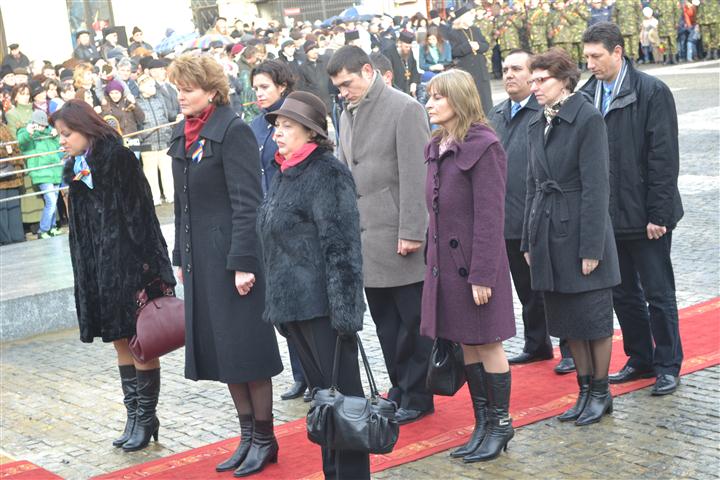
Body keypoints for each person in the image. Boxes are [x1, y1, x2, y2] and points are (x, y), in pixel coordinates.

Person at [166, 54, 283, 477]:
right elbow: (182, 205)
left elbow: (248, 203)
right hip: (201, 262)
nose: (180, 95)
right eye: (177, 87)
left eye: (188, 88)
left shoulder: (231, 131)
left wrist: (244, 262)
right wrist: (181, 256)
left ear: (212, 92)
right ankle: (248, 435)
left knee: (246, 348)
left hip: (234, 259)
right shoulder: (184, 133)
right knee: (224, 350)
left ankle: (266, 438)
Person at [257, 90, 370, 480]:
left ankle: (352, 475)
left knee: (345, 401)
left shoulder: (326, 171)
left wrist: (345, 312)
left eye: (288, 127)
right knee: (323, 402)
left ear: (311, 132)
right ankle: (333, 473)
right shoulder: (286, 171)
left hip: (324, 307)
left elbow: (342, 246)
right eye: (277, 127)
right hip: (295, 306)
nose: (278, 133)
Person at [51, 99, 175, 451]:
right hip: (98, 270)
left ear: (85, 128)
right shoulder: (74, 167)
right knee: (120, 341)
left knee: (141, 343)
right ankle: (134, 416)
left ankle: (147, 415)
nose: (62, 141)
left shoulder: (119, 159)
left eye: (66, 134)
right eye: (59, 135)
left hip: (130, 268)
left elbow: (144, 218)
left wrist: (152, 271)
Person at [329, 46, 435, 425]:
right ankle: (400, 385)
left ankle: (419, 393)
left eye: (348, 83)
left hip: (399, 236)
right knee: (386, 324)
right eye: (338, 87)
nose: (343, 92)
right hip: (364, 239)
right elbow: (344, 170)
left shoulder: (404, 108)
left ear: (368, 71)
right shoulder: (345, 113)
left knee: (413, 323)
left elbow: (416, 175)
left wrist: (412, 230)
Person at [581, 22, 684, 396]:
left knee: (658, 293)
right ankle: (640, 358)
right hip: (610, 218)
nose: (590, 64)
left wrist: (658, 214)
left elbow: (663, 158)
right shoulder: (588, 92)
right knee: (622, 294)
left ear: (618, 52)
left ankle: (668, 364)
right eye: (586, 56)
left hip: (646, 216)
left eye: (597, 56)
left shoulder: (651, 91)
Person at [523, 48, 621, 426]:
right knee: (568, 319)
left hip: (581, 231)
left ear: (564, 80)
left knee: (593, 318)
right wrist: (529, 241)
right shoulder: (538, 121)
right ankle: (583, 391)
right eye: (532, 80)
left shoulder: (587, 118)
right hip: (549, 232)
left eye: (541, 79)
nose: (535, 87)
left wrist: (592, 247)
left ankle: (601, 392)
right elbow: (532, 185)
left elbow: (598, 187)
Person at [422, 69, 516, 462]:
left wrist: (482, 274)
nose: (429, 103)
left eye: (437, 97)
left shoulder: (484, 145)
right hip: (446, 269)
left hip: (477, 268)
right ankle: (482, 425)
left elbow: (491, 217)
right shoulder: (438, 145)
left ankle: (501, 424)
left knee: (488, 343)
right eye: (428, 96)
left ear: (458, 100)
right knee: (467, 345)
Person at [488, 49, 575, 373]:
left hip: (542, 215)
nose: (509, 74)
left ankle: (569, 346)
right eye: (505, 68)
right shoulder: (496, 114)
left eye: (517, 69)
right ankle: (536, 344)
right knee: (526, 289)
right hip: (507, 218)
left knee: (553, 285)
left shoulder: (544, 111)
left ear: (533, 74)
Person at [249, 60, 309, 402]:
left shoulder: (295, 118)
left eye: (264, 87)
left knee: (302, 300)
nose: (258, 94)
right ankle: (300, 374)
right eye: (255, 88)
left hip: (293, 218)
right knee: (282, 304)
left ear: (282, 87)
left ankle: (316, 375)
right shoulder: (256, 125)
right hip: (266, 220)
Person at [17, 110, 63, 238]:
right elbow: (22, 143)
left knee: (54, 200)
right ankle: (43, 230)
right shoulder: (27, 133)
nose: (42, 127)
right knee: (51, 201)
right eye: (39, 124)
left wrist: (56, 135)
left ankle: (52, 227)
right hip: (41, 172)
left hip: (55, 170)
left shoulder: (49, 133)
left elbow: (58, 146)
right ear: (33, 123)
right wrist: (28, 132)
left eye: (44, 124)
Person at [447, 4, 493, 115]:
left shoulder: (475, 30)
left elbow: (486, 45)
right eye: (470, 15)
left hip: (481, 70)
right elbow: (454, 52)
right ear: (463, 18)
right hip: (467, 71)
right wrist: (469, 46)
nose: (472, 17)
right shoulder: (453, 33)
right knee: (471, 102)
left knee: (486, 101)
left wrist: (478, 46)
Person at [135, 74, 172, 205]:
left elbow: (166, 116)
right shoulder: (136, 102)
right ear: (141, 87)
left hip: (164, 140)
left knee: (167, 170)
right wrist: (141, 138)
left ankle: (170, 195)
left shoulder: (160, 99)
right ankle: (154, 197)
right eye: (150, 85)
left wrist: (168, 133)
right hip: (147, 142)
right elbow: (137, 122)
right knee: (150, 173)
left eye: (154, 85)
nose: (153, 88)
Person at [0, 122, 25, 245]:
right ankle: (5, 238)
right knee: (2, 209)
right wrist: (6, 152)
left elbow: (15, 147)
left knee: (13, 206)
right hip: (2, 176)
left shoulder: (4, 127)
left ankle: (17, 235)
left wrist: (17, 161)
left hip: (12, 173)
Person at [382, 30, 421, 97]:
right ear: (399, 44)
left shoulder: (409, 52)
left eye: (410, 47)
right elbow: (388, 76)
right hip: (395, 91)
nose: (408, 49)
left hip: (409, 90)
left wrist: (414, 83)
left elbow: (415, 70)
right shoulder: (388, 54)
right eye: (406, 47)